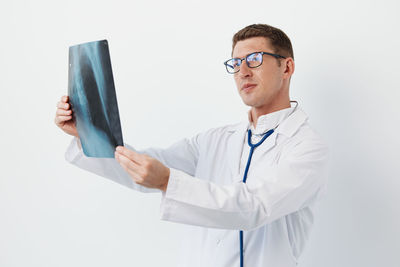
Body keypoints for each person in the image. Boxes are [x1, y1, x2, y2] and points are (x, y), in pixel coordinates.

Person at [54, 24, 329, 267]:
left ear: (287, 67)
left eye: (254, 59)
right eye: (235, 63)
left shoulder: (306, 148)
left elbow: (255, 207)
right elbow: (146, 168)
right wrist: (89, 134)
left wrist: (167, 182)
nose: (242, 72)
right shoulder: (215, 140)